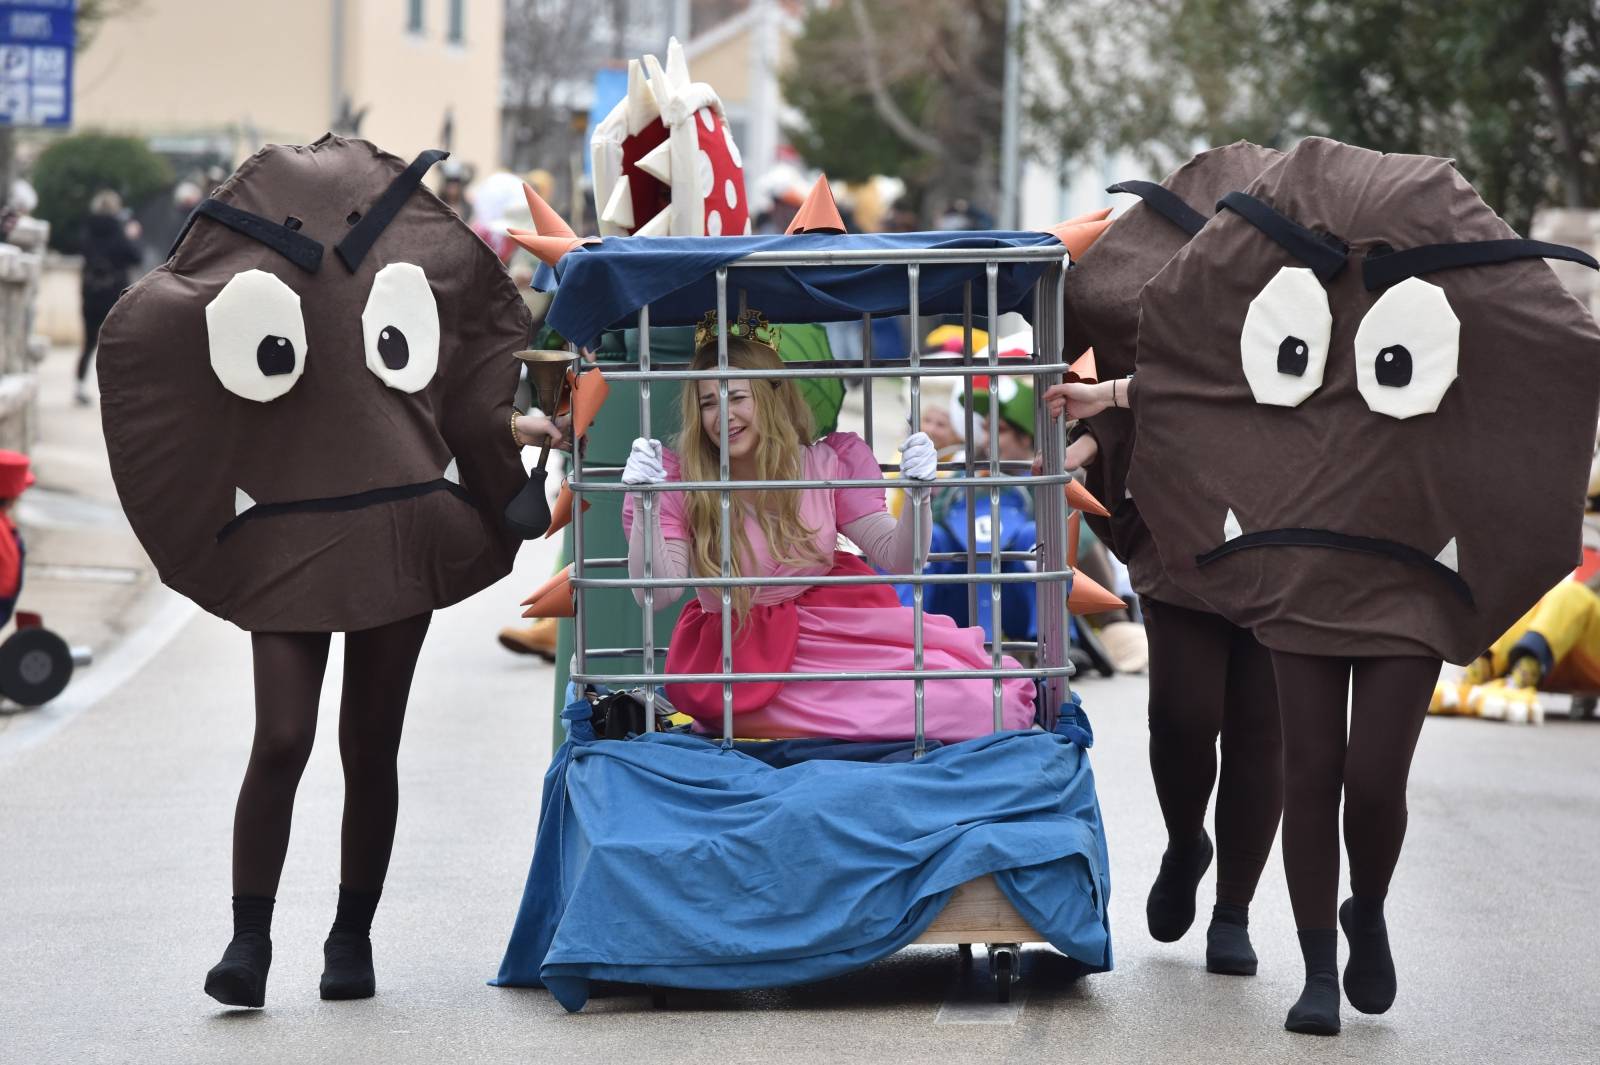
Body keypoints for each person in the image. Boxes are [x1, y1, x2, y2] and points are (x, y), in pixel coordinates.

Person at [1124, 137, 1600, 1036]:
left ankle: (1366, 908)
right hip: (1305, 566)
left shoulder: (1450, 297)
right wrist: (1116, 397)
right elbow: (1209, 358)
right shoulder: (1286, 281)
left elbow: (1554, 351)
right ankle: (1314, 969)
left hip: (1406, 575)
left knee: (1375, 779)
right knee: (1310, 769)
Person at [95, 136, 551, 1009]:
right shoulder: (253, 263)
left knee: (368, 745)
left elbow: (463, 363)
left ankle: (351, 937)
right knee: (283, 738)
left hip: (398, 522)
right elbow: (179, 344)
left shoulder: (405, 254)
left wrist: (519, 432)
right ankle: (249, 939)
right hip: (291, 528)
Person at [620, 332, 1036, 741]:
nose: (722, 414)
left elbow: (899, 558)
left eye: (738, 397)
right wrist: (645, 505)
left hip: (836, 638)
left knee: (981, 702)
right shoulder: (682, 482)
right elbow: (656, 594)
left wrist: (917, 494)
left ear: (770, 397)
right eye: (708, 402)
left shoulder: (824, 465)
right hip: (739, 660)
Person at [77, 189, 144, 405]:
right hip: (114, 293)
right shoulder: (119, 231)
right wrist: (132, 236)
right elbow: (135, 256)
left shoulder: (87, 230)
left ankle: (79, 386)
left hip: (90, 291)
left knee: (88, 342)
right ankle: (117, 390)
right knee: (117, 342)